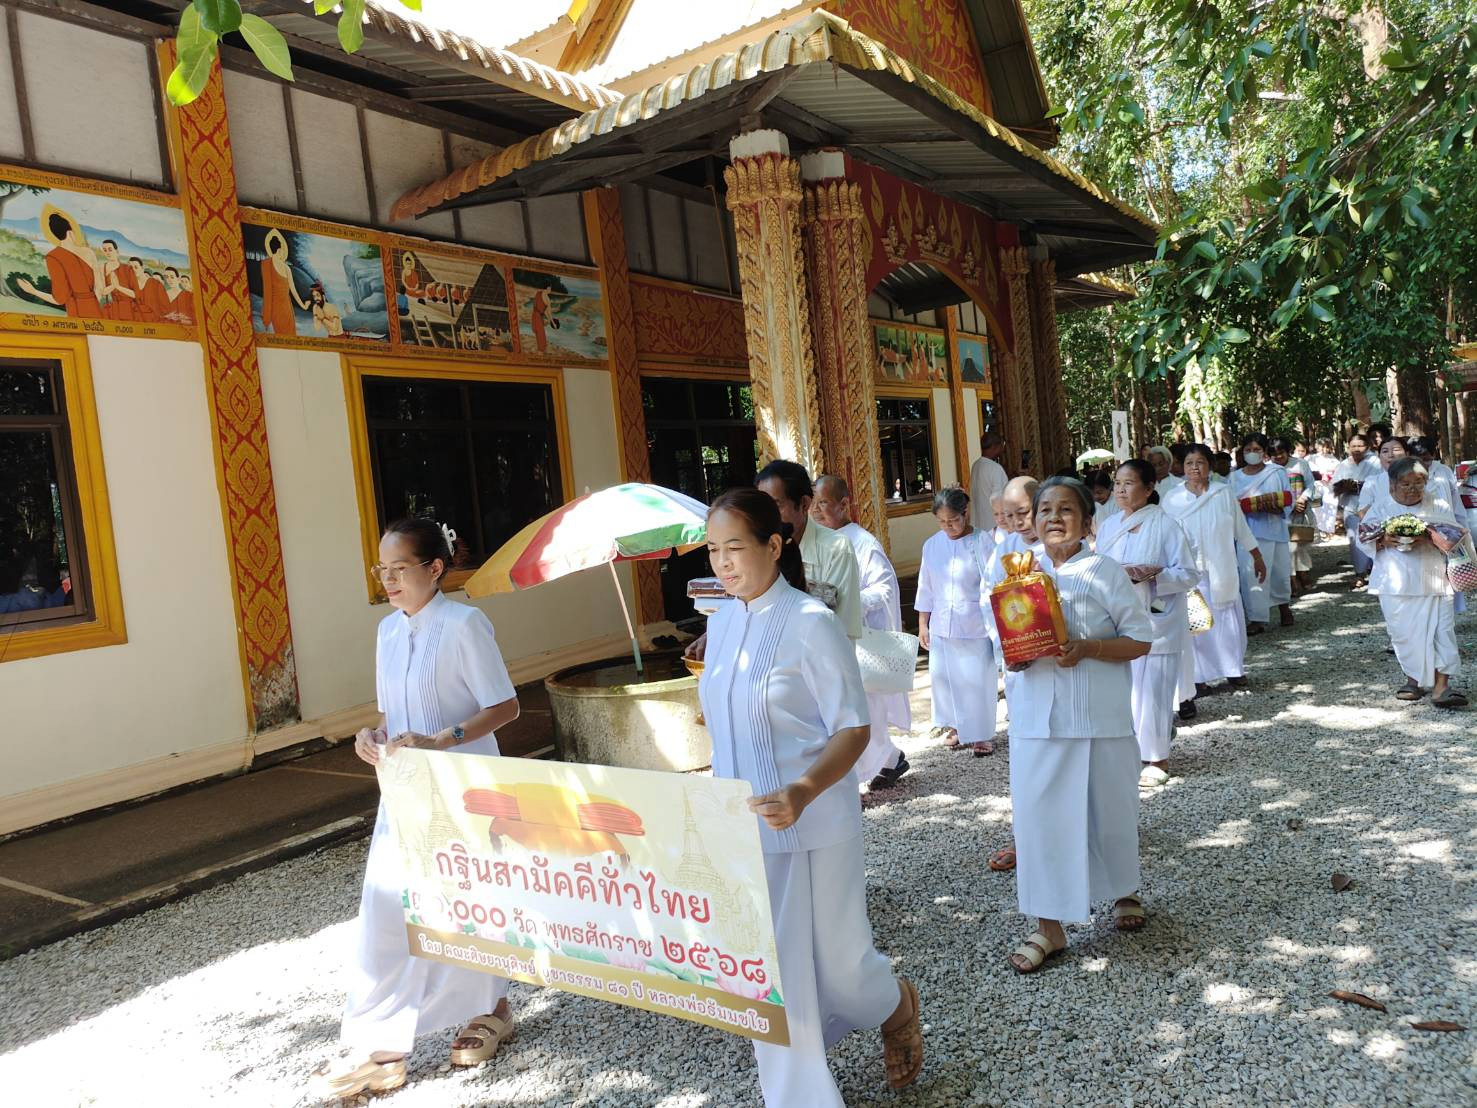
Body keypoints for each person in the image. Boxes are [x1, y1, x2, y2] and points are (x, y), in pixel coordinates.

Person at [698, 488, 923, 1103]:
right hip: (746, 830)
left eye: (734, 547)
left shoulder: (810, 623)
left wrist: (802, 789)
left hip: (817, 822)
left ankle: (894, 1004)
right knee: (774, 975)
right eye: (713, 550)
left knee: (845, 969)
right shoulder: (721, 624)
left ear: (774, 545)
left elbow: (853, 728)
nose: (722, 562)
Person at [314, 519, 521, 1100]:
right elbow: (390, 715)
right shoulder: (386, 631)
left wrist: (442, 740)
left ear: (435, 568)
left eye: (400, 568)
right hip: (404, 789)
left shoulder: (465, 624)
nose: (388, 580)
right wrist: (371, 737)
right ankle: (381, 1048)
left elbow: (504, 706)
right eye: (382, 570)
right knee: (389, 906)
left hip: (464, 786)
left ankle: (491, 1008)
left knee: (466, 899)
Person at [1003, 477, 1153, 973]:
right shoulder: (1016, 573)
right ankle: (1049, 926)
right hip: (1037, 721)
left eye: (1066, 509)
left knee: (1110, 812)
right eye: (1044, 509)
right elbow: (1005, 640)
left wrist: (1089, 647)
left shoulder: (1104, 571)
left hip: (1097, 717)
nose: (1053, 518)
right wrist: (1017, 657)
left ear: (1088, 522)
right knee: (1038, 822)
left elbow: (1140, 639)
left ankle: (1124, 889)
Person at [1095, 460, 1199, 786]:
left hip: (1157, 617)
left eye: (1129, 483)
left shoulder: (1166, 525)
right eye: (1117, 483)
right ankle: (1130, 751)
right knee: (1125, 692)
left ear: (1149, 487)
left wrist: (1155, 575)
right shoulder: (1108, 526)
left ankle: (1157, 759)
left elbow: (1189, 574)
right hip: (1118, 618)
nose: (1120, 490)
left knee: (1154, 690)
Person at [812, 475, 911, 789]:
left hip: (858, 640)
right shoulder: (815, 541)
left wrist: (848, 603)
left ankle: (857, 778)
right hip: (826, 639)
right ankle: (890, 760)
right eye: (813, 504)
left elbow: (884, 588)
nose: (816, 511)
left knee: (864, 712)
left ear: (843, 505)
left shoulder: (863, 542)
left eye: (823, 503)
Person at [1356, 459, 1468, 708]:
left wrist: (1429, 537)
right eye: (1405, 484)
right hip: (1395, 583)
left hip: (1434, 578)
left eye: (1419, 483)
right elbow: (1363, 537)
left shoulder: (1438, 504)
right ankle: (1413, 680)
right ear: (1392, 485)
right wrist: (1383, 540)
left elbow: (1456, 536)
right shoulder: (1381, 507)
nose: (1413, 489)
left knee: (1443, 631)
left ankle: (1442, 688)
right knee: (1404, 634)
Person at [1163, 445, 1265, 694]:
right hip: (1190, 572)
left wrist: (1257, 556)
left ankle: (1233, 669)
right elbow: (1164, 537)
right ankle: (1198, 677)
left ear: (1210, 466)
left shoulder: (1223, 493)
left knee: (1227, 621)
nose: (1194, 468)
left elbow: (1240, 527)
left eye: (1200, 462)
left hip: (1222, 567)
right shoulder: (1172, 499)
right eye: (1189, 463)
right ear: (1182, 467)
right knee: (1196, 624)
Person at [916, 488, 997, 756]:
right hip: (942, 624)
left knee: (977, 681)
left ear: (966, 513)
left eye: (953, 520)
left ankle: (981, 733)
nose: (948, 526)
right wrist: (923, 624)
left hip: (975, 623)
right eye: (942, 522)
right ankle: (957, 726)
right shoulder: (931, 545)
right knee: (946, 679)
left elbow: (995, 583)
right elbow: (926, 587)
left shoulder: (982, 541)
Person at [756, 460, 863, 641]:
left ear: (804, 504)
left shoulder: (836, 549)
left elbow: (836, 627)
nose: (767, 516)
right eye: (762, 507)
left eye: (776, 505)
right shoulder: (760, 550)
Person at [1232, 433, 1294, 630]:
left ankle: (1284, 608)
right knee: (1251, 575)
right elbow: (1230, 506)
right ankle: (1257, 618)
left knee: (1279, 572)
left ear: (1264, 452)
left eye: (1257, 449)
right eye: (1248, 449)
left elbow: (1288, 498)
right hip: (1248, 532)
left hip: (1275, 528)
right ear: (1242, 452)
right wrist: (1248, 507)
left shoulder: (1276, 472)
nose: (1252, 453)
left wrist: (1276, 507)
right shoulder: (1234, 477)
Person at [1271, 437, 1320, 595]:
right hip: (1280, 514)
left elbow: (1310, 484)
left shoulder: (1300, 464)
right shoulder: (1268, 469)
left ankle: (1302, 574)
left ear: (1288, 451)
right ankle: (1293, 580)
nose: (1278, 456)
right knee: (1287, 548)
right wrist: (1291, 505)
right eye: (1274, 454)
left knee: (1300, 546)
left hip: (1301, 511)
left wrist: (1303, 499)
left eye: (1281, 452)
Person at [1331, 433, 1380, 585]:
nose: (1357, 449)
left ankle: (1376, 571)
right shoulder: (1344, 464)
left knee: (1374, 537)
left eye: (1360, 446)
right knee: (1355, 540)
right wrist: (1343, 486)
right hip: (1351, 506)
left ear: (1368, 447)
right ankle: (1360, 573)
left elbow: (1382, 483)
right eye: (1353, 446)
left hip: (1372, 507)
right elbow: (1333, 487)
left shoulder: (1376, 462)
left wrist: (1361, 485)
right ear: (1348, 447)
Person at [970, 432, 1010, 518]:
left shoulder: (975, 465)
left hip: (978, 522)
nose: (1003, 450)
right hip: (993, 522)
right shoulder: (996, 468)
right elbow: (1001, 499)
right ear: (995, 446)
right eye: (1002, 445)